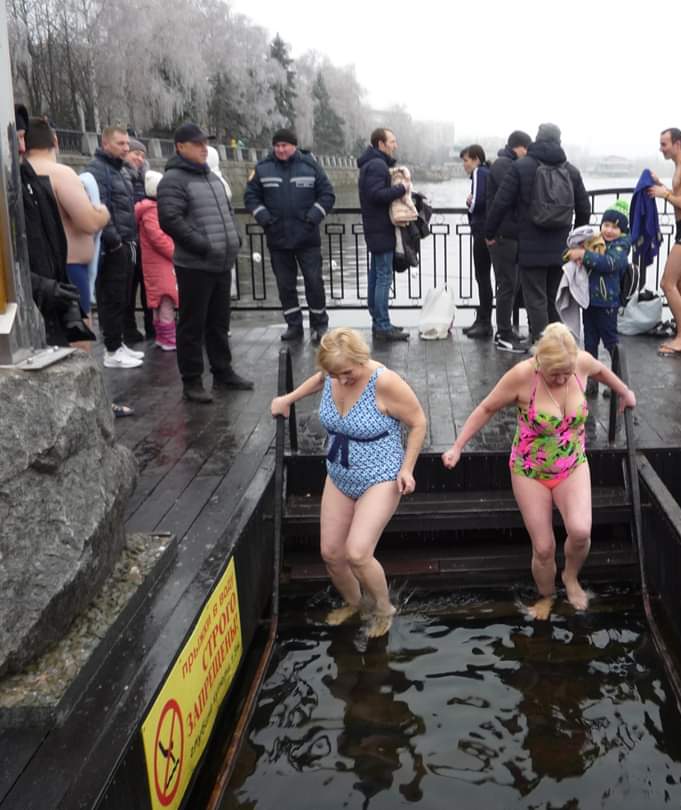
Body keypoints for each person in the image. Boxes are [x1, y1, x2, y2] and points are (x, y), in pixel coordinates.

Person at [441, 323, 636, 618]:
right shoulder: (523, 375)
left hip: (571, 463)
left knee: (581, 531)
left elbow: (600, 371)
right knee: (544, 547)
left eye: (566, 373)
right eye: (553, 373)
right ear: (540, 362)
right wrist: (457, 446)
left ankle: (570, 578)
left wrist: (625, 392)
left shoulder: (579, 362)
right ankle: (547, 595)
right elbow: (486, 408)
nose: (560, 379)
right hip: (530, 470)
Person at [270, 328, 427, 637]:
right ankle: (355, 603)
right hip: (340, 474)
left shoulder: (385, 382)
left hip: (380, 476)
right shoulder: (331, 375)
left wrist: (407, 468)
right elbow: (319, 380)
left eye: (347, 373)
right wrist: (288, 399)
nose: (341, 380)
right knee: (331, 554)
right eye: (334, 374)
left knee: (357, 553)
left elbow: (418, 421)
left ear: (361, 359)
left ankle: (384, 608)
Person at [157, 122, 253, 403]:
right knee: (192, 324)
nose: (204, 148)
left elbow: (227, 212)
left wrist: (234, 239)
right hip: (195, 265)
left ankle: (223, 372)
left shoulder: (211, 178)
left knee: (219, 322)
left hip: (222, 263)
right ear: (181, 147)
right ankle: (192, 381)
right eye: (197, 144)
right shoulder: (173, 180)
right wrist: (203, 245)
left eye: (205, 143)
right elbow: (170, 220)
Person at [485, 123, 590, 342]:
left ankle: (544, 348)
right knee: (554, 298)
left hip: (530, 246)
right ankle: (558, 347)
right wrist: (575, 241)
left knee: (536, 299)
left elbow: (500, 203)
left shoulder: (522, 167)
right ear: (559, 141)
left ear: (537, 139)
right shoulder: (570, 171)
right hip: (561, 247)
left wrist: (490, 232)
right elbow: (584, 208)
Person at [22, 116, 110, 338]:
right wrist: (103, 213)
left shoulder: (20, 172)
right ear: (55, 140)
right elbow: (88, 222)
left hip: (39, 274)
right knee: (78, 340)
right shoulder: (60, 173)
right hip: (68, 269)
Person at [245, 128, 335, 344]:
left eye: (284, 145)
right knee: (285, 285)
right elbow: (251, 197)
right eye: (277, 146)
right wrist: (265, 219)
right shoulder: (263, 168)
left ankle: (319, 325)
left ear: (293, 146)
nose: (280, 149)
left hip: (307, 239)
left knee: (314, 282)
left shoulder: (310, 166)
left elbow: (327, 195)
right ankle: (293, 325)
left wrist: (313, 217)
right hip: (278, 239)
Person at [84, 126, 143, 368]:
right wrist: (115, 241)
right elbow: (99, 207)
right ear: (105, 144)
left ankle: (118, 344)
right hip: (113, 247)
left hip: (125, 241)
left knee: (122, 297)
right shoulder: (98, 171)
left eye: (127, 143)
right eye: (120, 143)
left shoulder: (119, 171)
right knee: (111, 297)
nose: (126, 148)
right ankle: (112, 349)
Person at [564, 199, 631, 397]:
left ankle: (618, 383)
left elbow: (608, 263)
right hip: (590, 302)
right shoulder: (595, 243)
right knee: (590, 343)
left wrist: (583, 255)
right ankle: (590, 382)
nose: (609, 231)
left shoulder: (620, 248)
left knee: (611, 344)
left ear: (623, 232)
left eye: (615, 227)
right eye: (606, 225)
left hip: (607, 304)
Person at [648, 128, 681, 357]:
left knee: (667, 284)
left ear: (677, 143)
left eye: (664, 144)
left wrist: (665, 194)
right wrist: (662, 186)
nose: (661, 149)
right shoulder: (680, 168)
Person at [357, 128, 409, 341]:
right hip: (381, 229)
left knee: (377, 275)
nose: (395, 145)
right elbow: (376, 195)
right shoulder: (378, 165)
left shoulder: (370, 164)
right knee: (383, 278)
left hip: (374, 228)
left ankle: (380, 322)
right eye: (392, 141)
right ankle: (382, 325)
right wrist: (401, 189)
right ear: (381, 143)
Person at [484, 130, 532, 353]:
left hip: (508, 235)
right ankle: (503, 333)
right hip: (503, 236)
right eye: (527, 150)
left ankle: (505, 330)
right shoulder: (504, 165)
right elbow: (508, 198)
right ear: (519, 147)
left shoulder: (505, 164)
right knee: (506, 285)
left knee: (510, 285)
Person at [135, 170, 179, 351]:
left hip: (153, 264)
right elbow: (158, 238)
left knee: (158, 300)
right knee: (167, 297)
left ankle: (162, 335)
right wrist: (175, 252)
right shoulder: (152, 211)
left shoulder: (146, 210)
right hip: (161, 263)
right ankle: (168, 337)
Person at [460, 144, 493, 339]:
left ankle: (484, 322)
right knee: (484, 277)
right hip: (487, 232)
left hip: (482, 231)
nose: (464, 165)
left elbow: (478, 202)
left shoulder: (480, 173)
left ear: (476, 159)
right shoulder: (486, 173)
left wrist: (469, 203)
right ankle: (482, 319)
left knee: (482, 277)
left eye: (466, 160)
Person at [123, 138, 152, 342]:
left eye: (142, 155)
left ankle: (153, 327)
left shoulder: (148, 179)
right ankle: (129, 328)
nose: (139, 158)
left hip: (148, 241)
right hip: (129, 239)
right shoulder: (122, 176)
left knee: (149, 286)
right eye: (136, 153)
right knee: (128, 287)